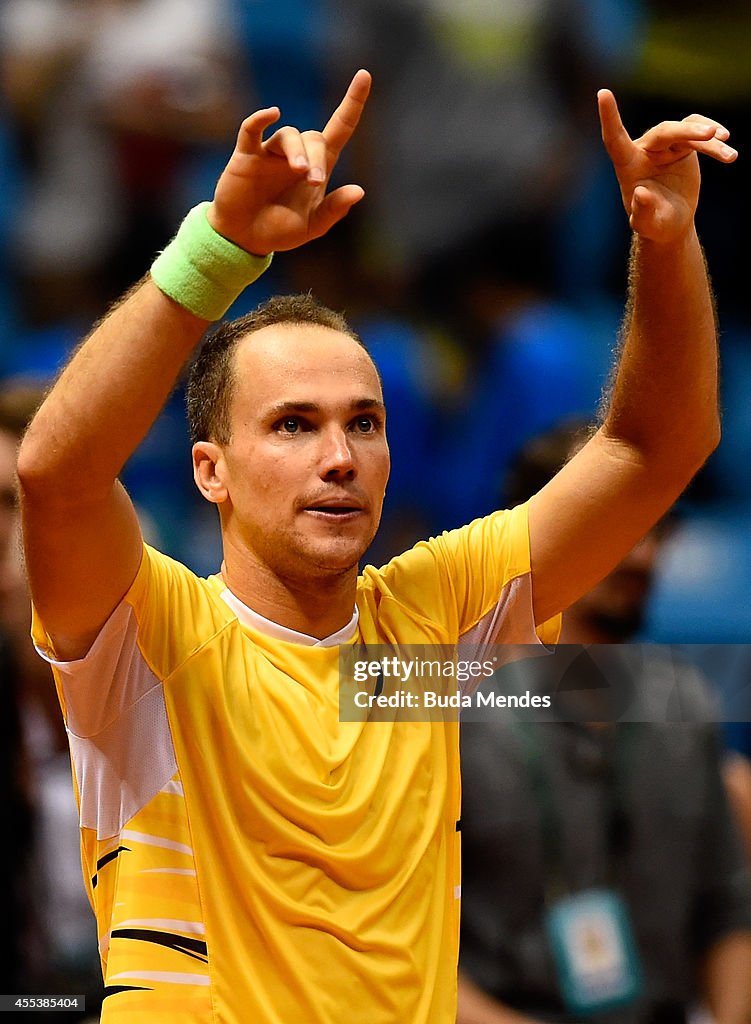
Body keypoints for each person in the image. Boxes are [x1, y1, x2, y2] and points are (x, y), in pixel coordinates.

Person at [16, 69, 736, 1023]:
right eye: (291, 426)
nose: (339, 458)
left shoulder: (422, 635)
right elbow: (57, 475)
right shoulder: (150, 634)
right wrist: (218, 250)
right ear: (208, 471)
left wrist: (665, 238)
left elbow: (653, 448)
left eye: (364, 424)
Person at [458, 423, 751, 1024]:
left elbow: (727, 911)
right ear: (531, 533)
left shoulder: (685, 701)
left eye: (655, 524)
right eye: (615, 521)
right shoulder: (433, 701)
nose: (642, 552)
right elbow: (391, 939)